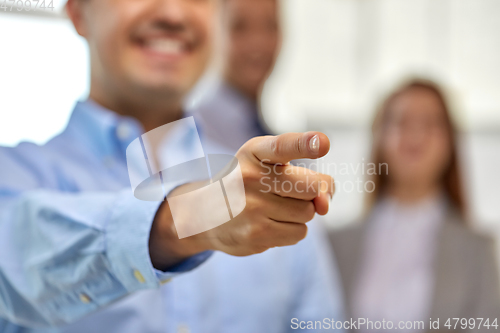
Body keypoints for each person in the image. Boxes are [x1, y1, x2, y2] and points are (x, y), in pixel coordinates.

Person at [0, 0, 342, 332]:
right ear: (77, 12)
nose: (174, 12)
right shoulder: (12, 176)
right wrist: (185, 218)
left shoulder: (270, 193)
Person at [329, 79, 500, 332]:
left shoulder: (477, 249)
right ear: (380, 137)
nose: (415, 135)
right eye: (402, 122)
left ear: (450, 142)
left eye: (430, 123)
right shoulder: (335, 245)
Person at [188, 0, 280, 152]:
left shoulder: (289, 151)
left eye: (270, 25)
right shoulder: (192, 136)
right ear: (213, 32)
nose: (258, 42)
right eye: (239, 27)